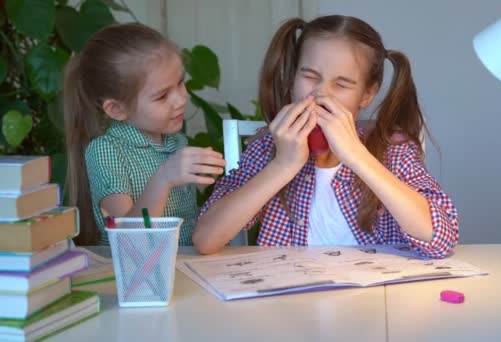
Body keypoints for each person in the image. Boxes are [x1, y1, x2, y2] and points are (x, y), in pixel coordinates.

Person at [193, 15, 458, 258]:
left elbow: (441, 239)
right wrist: (282, 166)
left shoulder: (394, 149)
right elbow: (206, 240)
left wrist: (357, 157)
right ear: (292, 79)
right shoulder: (268, 147)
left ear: (367, 95)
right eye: (309, 76)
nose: (321, 94)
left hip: (376, 302)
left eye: (341, 84)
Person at [64, 23, 225, 245]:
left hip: (186, 266)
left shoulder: (177, 142)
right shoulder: (106, 151)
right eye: (161, 96)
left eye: (180, 83)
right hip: (138, 275)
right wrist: (164, 178)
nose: (181, 99)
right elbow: (128, 239)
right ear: (117, 109)